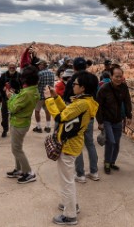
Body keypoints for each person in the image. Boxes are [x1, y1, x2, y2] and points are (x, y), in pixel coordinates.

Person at [44, 70, 99, 225]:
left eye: (75, 83)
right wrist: (55, 97)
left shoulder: (82, 103)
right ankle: (70, 205)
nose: (72, 85)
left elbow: (60, 117)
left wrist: (48, 100)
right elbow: (66, 111)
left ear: (83, 88)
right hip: (71, 145)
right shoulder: (84, 101)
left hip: (68, 146)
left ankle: (70, 215)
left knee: (66, 181)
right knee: (67, 179)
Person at [63, 57, 100, 183]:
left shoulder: (74, 80)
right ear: (86, 65)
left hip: (76, 116)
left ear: (74, 67)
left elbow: (66, 97)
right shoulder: (92, 78)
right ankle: (94, 172)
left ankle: (80, 174)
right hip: (89, 115)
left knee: (77, 143)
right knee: (90, 143)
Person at [6, 65, 40, 184]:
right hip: (23, 122)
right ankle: (19, 169)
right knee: (17, 147)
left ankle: (29, 172)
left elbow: (13, 108)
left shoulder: (26, 93)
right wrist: (14, 96)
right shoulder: (33, 90)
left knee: (16, 149)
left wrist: (10, 98)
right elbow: (21, 103)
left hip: (18, 123)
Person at [96, 66, 132, 175]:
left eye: (120, 76)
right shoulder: (104, 89)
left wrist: (128, 116)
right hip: (107, 120)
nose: (119, 78)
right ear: (111, 76)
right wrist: (100, 122)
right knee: (110, 141)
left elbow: (127, 102)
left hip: (118, 119)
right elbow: (98, 106)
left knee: (116, 143)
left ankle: (112, 162)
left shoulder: (124, 87)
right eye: (116, 76)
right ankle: (107, 163)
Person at [0, 62, 22, 138]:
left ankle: (15, 131)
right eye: (10, 67)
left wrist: (16, 90)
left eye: (13, 67)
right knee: (4, 114)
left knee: (16, 115)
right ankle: (5, 129)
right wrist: (3, 89)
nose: (11, 68)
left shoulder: (19, 75)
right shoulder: (3, 75)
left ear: (16, 67)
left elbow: (23, 87)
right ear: (8, 67)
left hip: (16, 98)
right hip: (5, 98)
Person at [33, 59, 55, 133]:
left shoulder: (40, 74)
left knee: (37, 111)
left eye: (39, 65)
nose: (38, 66)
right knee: (47, 111)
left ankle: (39, 127)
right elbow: (52, 85)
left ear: (42, 65)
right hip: (48, 95)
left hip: (40, 96)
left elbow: (36, 84)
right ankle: (48, 127)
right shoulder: (52, 73)